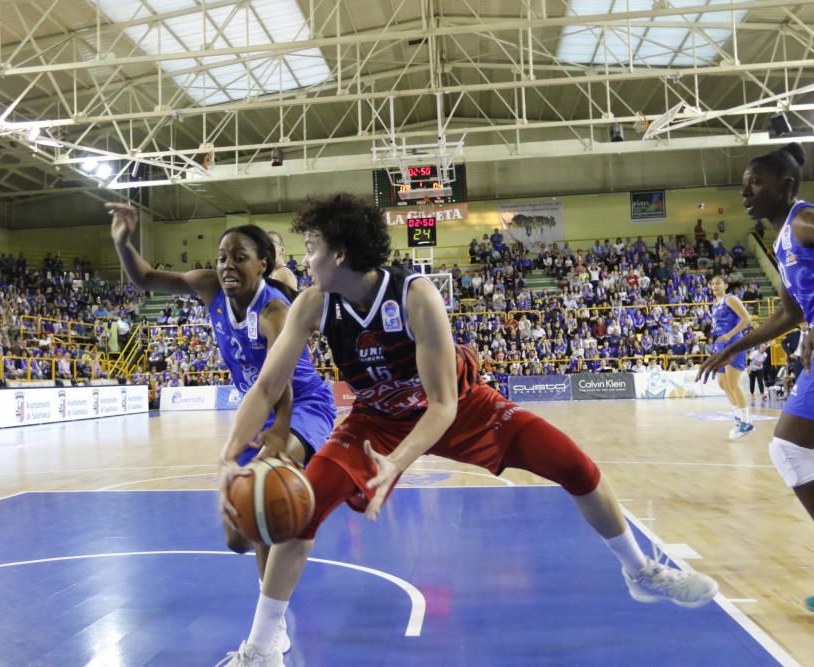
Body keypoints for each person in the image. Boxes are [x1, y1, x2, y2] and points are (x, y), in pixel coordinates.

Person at [217, 194, 718, 665]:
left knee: (576, 466)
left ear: (340, 254)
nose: (305, 261)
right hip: (375, 420)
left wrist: (398, 464)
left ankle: (639, 571)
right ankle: (263, 645)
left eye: (312, 249)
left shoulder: (415, 296)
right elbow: (265, 388)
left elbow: (442, 405)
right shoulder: (312, 303)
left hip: (463, 406)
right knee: (302, 509)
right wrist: (227, 457)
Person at [108, 203, 335, 650]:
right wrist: (122, 241)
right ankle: (271, 588)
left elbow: (281, 386)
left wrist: (278, 436)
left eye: (240, 257)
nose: (228, 265)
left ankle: (271, 625)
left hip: (302, 403)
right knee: (238, 536)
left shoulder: (274, 312)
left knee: (265, 486)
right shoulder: (208, 286)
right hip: (260, 405)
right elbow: (147, 279)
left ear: (263, 264)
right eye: (222, 256)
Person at [697, 142, 814, 613]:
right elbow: (789, 311)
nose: (746, 190)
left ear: (785, 185)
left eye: (757, 182)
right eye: (744, 182)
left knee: (789, 448)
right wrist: (732, 346)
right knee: (788, 450)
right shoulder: (784, 238)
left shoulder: (804, 222)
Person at [708, 274, 754, 439]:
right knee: (722, 383)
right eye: (712, 284)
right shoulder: (715, 305)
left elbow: (746, 319)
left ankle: (747, 422)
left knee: (733, 383)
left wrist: (729, 335)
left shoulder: (730, 299)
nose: (714, 286)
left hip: (734, 343)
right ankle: (738, 418)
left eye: (718, 283)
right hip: (720, 345)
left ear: (725, 285)